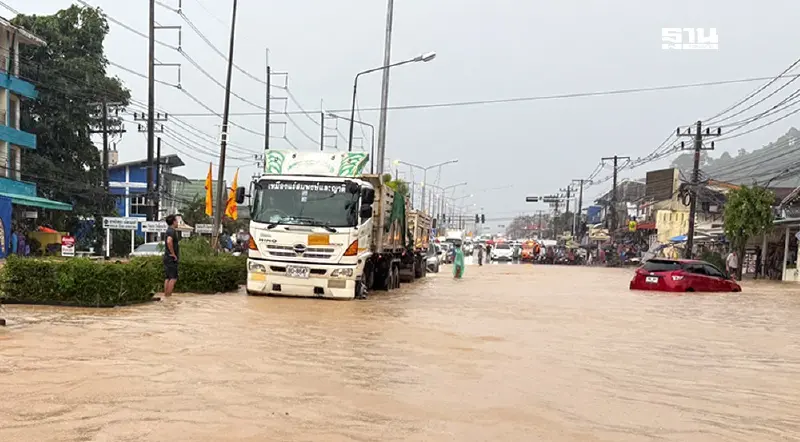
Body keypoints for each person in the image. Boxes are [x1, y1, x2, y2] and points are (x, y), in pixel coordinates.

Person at [163, 214, 181, 297]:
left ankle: (166, 296)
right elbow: (169, 241)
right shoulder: (172, 231)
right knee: (173, 278)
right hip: (171, 258)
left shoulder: (168, 230)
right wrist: (173, 254)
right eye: (177, 221)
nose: (177, 223)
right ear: (174, 222)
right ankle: (168, 296)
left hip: (167, 257)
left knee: (168, 278)